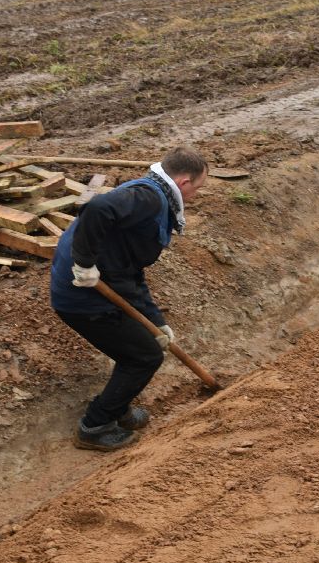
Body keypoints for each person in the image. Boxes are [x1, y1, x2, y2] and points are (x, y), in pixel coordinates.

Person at [50, 146, 208, 451]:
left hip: (98, 290)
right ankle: (95, 426)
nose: (197, 195)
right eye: (198, 188)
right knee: (144, 356)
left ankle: (117, 407)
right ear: (185, 182)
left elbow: (130, 271)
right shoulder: (148, 198)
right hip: (83, 297)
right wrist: (84, 263)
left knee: (138, 348)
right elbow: (96, 209)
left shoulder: (153, 195)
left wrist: (157, 321)